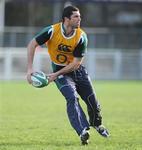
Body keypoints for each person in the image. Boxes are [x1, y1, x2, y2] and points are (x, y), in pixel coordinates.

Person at [27, 5, 109, 145]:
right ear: (66, 19)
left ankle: (96, 123)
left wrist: (54, 75)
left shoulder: (81, 37)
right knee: (72, 97)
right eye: (76, 16)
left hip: (77, 71)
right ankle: (83, 131)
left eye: (80, 16)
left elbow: (76, 63)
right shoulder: (52, 31)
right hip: (61, 73)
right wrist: (29, 69)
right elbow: (32, 44)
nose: (79, 19)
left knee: (92, 101)